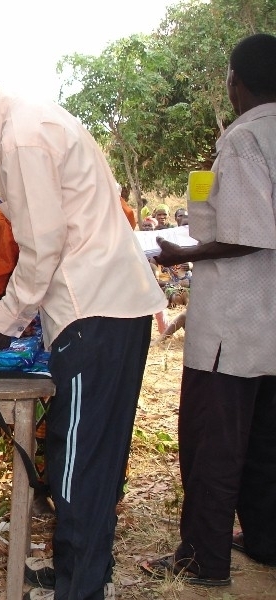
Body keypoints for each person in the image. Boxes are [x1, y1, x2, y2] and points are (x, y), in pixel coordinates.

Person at [0, 61, 165, 600]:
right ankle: (80, 571)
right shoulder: (30, 120)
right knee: (91, 456)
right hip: (107, 307)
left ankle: (80, 587)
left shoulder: (22, 139)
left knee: (77, 464)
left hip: (93, 311)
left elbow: (42, 249)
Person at [141, 33, 276, 585]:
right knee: (265, 440)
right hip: (268, 322)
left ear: (234, 81)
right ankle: (265, 539)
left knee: (212, 445)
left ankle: (203, 559)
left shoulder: (244, 139)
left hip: (233, 323)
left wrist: (183, 254)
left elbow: (248, 233)